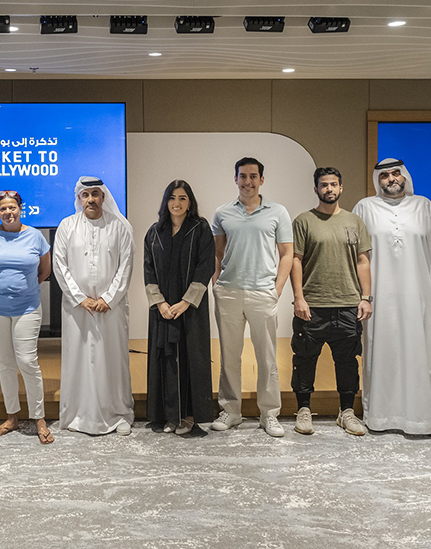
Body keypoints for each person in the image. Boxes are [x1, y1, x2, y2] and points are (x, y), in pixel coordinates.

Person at [353, 159, 431, 437]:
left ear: (404, 176)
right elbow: (354, 254)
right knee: (380, 354)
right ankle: (379, 417)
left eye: (396, 173)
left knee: (422, 356)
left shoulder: (424, 206)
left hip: (419, 295)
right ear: (377, 180)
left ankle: (424, 418)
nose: (391, 179)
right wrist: (361, 295)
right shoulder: (364, 208)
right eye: (384, 175)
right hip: (377, 298)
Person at [211, 157, 292, 438]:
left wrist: (277, 289)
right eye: (243, 176)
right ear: (235, 179)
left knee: (267, 358)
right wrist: (216, 284)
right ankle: (231, 411)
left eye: (253, 176)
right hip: (229, 293)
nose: (248, 182)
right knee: (229, 357)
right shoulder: (222, 213)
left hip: (263, 293)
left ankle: (269, 414)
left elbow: (287, 254)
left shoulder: (278, 212)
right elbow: (217, 253)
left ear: (261, 180)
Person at [290, 167, 372, 436]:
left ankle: (346, 412)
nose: (329, 189)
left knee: (348, 362)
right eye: (324, 185)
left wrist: (365, 297)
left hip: (348, 305)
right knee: (304, 360)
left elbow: (363, 261)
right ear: (316, 189)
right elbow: (295, 260)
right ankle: (303, 410)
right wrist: (299, 298)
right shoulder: (304, 221)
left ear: (341, 188)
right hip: (312, 306)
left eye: (333, 184)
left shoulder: (354, 222)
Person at [53, 176, 135, 436]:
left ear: (103, 197)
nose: (90, 199)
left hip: (111, 309)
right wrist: (80, 298)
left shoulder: (120, 226)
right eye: (85, 195)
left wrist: (108, 299)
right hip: (77, 308)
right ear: (79, 198)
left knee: (112, 358)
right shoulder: (67, 226)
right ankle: (78, 414)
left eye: (95, 194)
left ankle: (119, 414)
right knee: (78, 359)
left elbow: (126, 266)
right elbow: (60, 265)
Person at [0, 190, 54, 445]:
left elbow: (44, 270)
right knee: (5, 362)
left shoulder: (35, 236)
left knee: (28, 361)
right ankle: (12, 417)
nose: (8, 212)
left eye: (12, 207)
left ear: (21, 209)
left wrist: (22, 290)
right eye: (3, 209)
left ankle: (39, 418)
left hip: (27, 307)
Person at [144, 180, 216, 437]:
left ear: (190, 202)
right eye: (172, 198)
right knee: (165, 361)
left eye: (182, 198)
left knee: (190, 360)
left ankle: (188, 416)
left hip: (191, 310)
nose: (177, 203)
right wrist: (160, 303)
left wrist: (185, 302)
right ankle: (168, 415)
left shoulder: (200, 228)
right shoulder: (155, 232)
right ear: (166, 201)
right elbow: (148, 270)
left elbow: (206, 266)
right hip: (163, 310)